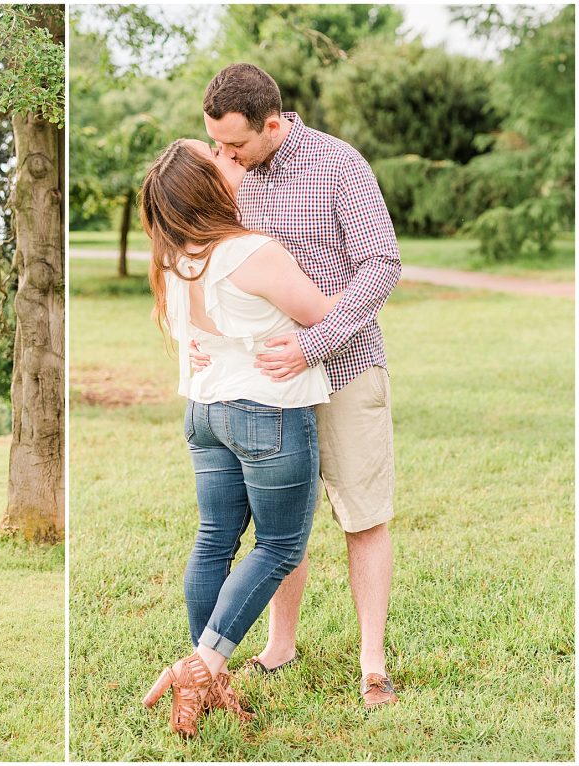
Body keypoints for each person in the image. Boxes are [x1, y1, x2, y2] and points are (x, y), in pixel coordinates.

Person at [195, 63, 401, 708]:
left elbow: (382, 263)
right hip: (265, 383)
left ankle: (372, 663)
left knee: (362, 515)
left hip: (343, 366)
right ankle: (279, 646)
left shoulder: (339, 165)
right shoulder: (228, 173)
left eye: (237, 145)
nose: (224, 156)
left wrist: (315, 341)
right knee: (280, 523)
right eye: (216, 143)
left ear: (275, 124)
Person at [139, 138, 342, 737]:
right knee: (280, 545)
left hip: (205, 412)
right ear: (207, 186)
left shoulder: (175, 257)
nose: (230, 158)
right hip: (266, 410)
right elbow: (321, 312)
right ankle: (203, 666)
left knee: (212, 542)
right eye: (217, 158)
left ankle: (211, 678)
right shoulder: (250, 252)